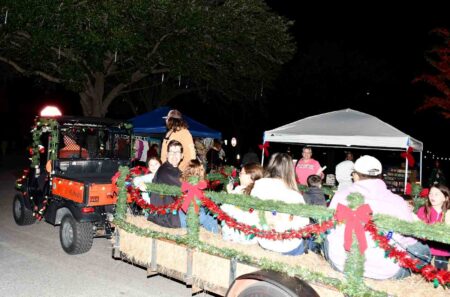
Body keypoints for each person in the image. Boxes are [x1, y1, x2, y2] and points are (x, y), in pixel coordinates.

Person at [325, 155, 431, 280]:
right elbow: (408, 238)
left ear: (356, 176)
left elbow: (329, 226)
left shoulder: (340, 196)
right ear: (380, 176)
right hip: (385, 270)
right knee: (422, 249)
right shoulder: (397, 201)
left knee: (328, 238)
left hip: (341, 263)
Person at [251, 153, 310, 255]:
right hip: (287, 246)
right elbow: (303, 224)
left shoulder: (258, 185)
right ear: (290, 170)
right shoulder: (295, 195)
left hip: (263, 240)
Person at [222, 162, 263, 243]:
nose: (239, 175)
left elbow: (225, 208)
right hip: (253, 236)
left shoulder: (239, 190)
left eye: (242, 173)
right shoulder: (259, 192)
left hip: (235, 233)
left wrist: (229, 192)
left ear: (250, 177)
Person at [147, 140, 183, 228]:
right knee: (206, 217)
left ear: (182, 156)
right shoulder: (167, 171)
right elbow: (187, 189)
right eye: (171, 152)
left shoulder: (172, 169)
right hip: (167, 218)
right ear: (167, 155)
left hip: (167, 215)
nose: (174, 155)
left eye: (177, 152)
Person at [178, 159, 220, 233]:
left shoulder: (197, 183)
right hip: (187, 214)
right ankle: (213, 232)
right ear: (195, 171)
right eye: (201, 169)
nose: (203, 171)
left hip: (195, 210)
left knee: (209, 215)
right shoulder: (190, 184)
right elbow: (186, 205)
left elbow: (202, 202)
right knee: (208, 217)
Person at [417, 184, 450, 270]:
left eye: (436, 194)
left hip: (443, 250)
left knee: (441, 273)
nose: (432, 196)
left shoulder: (448, 213)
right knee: (421, 269)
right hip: (425, 247)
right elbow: (417, 229)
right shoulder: (423, 210)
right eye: (430, 193)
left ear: (445, 198)